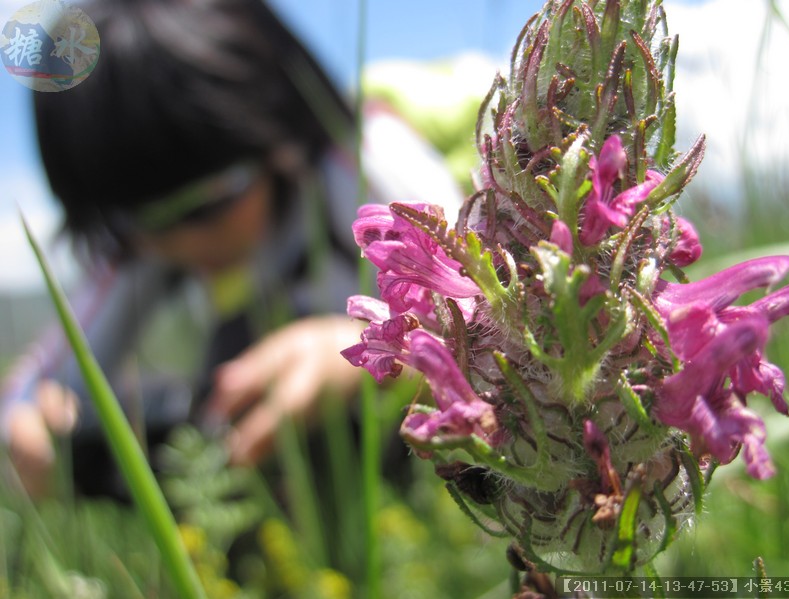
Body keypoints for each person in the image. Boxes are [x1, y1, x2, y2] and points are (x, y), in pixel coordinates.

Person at [0, 0, 463, 498]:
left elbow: (479, 299)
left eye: (210, 201)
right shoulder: (144, 237)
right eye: (142, 219)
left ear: (272, 130)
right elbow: (50, 378)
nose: (183, 238)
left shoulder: (362, 159)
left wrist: (373, 346)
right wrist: (30, 422)